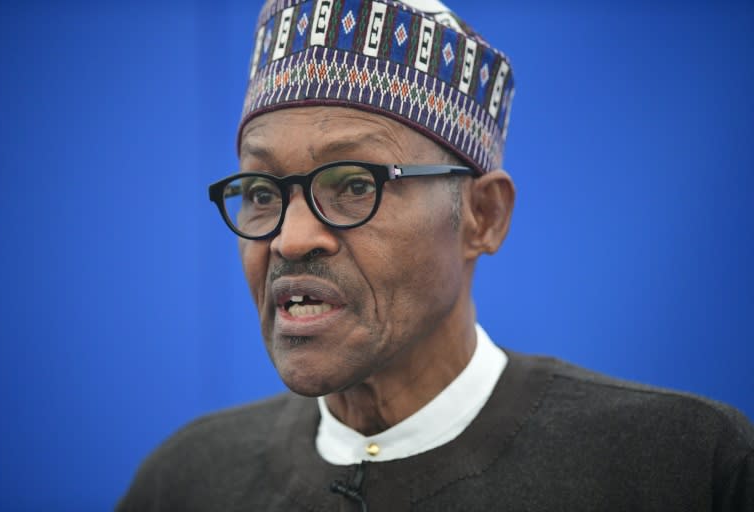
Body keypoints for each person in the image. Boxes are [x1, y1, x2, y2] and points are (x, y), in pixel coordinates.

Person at [117, 0, 753, 510]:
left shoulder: (684, 467)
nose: (289, 238)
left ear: (482, 216)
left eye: (354, 185)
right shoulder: (187, 480)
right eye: (260, 192)